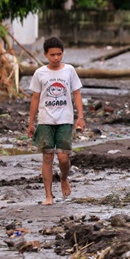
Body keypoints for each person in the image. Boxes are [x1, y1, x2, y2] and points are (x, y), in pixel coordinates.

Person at [27, 37, 85, 205]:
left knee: (63, 158)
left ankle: (64, 178)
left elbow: (76, 93)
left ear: (63, 53)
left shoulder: (69, 70)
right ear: (46, 55)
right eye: (52, 55)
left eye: (59, 54)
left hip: (65, 118)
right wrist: (31, 123)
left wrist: (80, 117)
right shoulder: (40, 73)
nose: (56, 58)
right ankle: (48, 195)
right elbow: (35, 98)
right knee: (47, 157)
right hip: (45, 119)